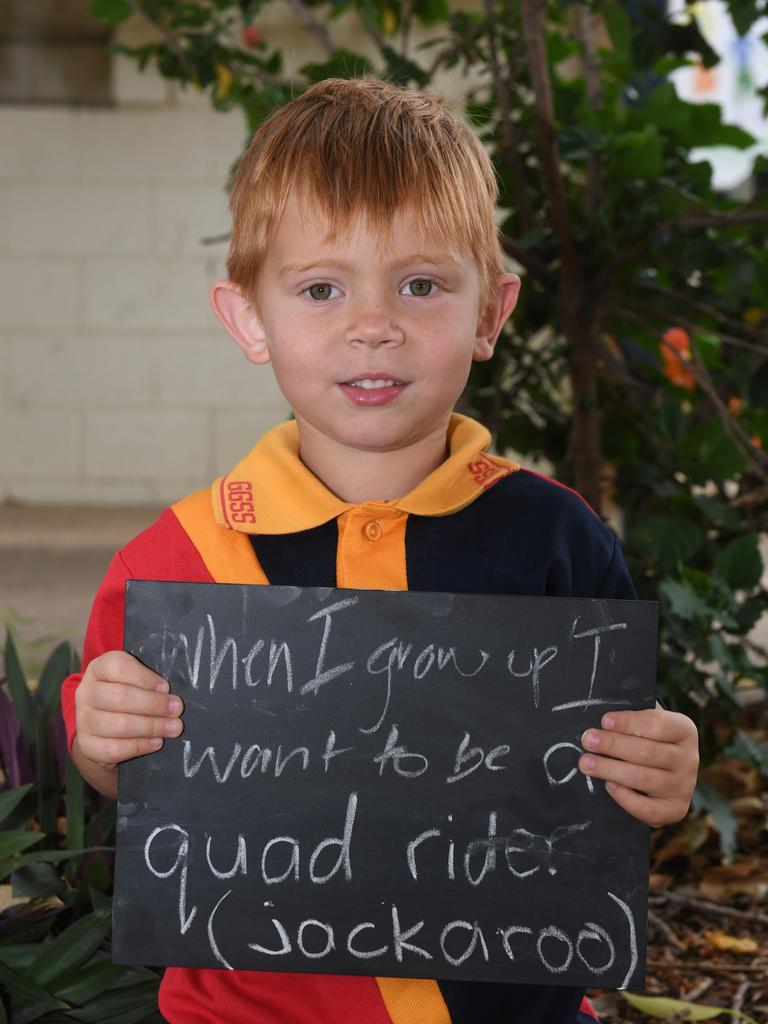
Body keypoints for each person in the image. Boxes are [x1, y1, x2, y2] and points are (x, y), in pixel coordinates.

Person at [60, 75, 699, 1024]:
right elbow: (122, 771)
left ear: (490, 313)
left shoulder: (556, 539)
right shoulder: (181, 557)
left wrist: (663, 771)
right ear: (247, 318)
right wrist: (103, 736)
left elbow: (608, 775)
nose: (374, 325)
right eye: (321, 288)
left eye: (422, 284)